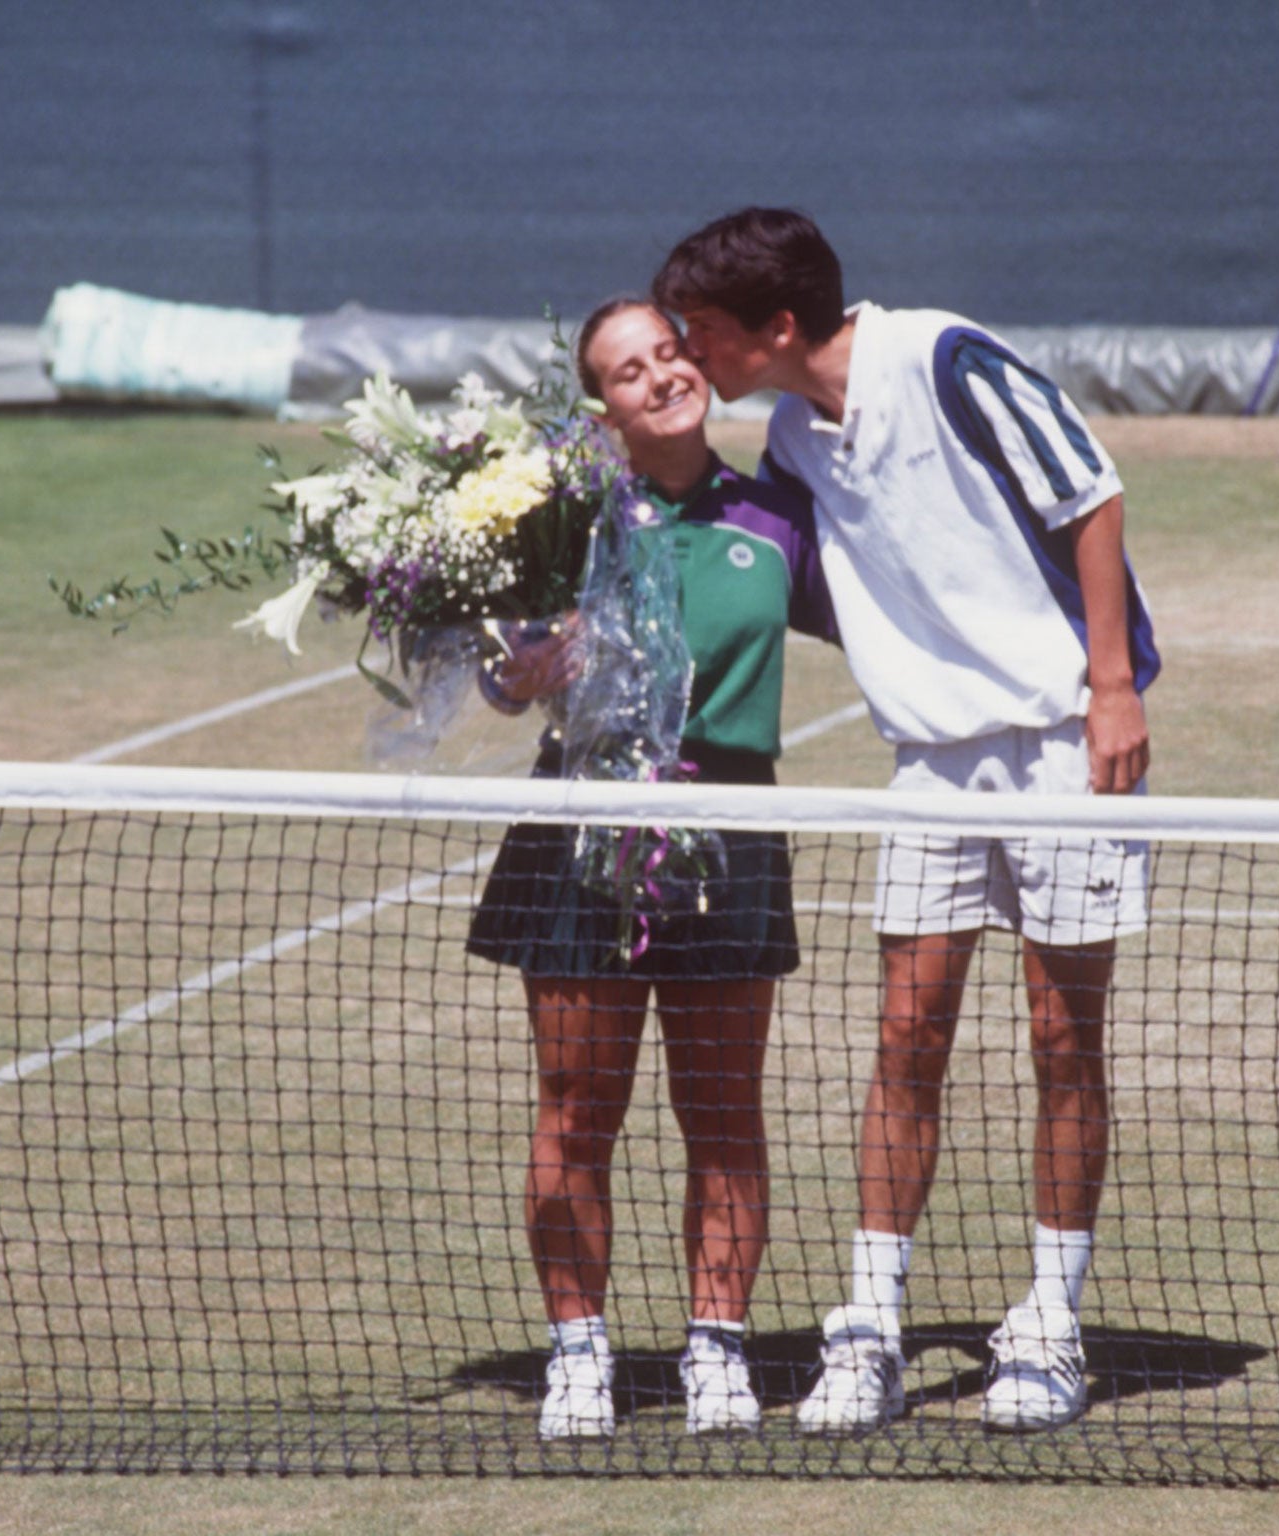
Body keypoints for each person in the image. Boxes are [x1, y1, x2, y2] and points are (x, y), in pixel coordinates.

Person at [652, 208, 1157, 1434]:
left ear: (776, 326)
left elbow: (1089, 497)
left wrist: (1109, 687)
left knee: (1059, 1039)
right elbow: (765, 564)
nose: (687, 356)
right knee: (904, 1036)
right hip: (928, 763)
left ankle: (1048, 1324)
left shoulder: (944, 359)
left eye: (702, 335)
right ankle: (870, 1327)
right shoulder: (788, 436)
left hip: (1057, 744)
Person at [464, 297, 838, 1439]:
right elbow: (495, 665)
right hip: (582, 825)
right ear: (602, 403)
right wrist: (516, 673)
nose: (661, 377)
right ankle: (580, 1354)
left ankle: (714, 1349)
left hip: (727, 828)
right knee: (578, 1110)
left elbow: (897, 620)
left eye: (671, 353)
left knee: (722, 1110)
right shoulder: (560, 519)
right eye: (629, 370)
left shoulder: (777, 514)